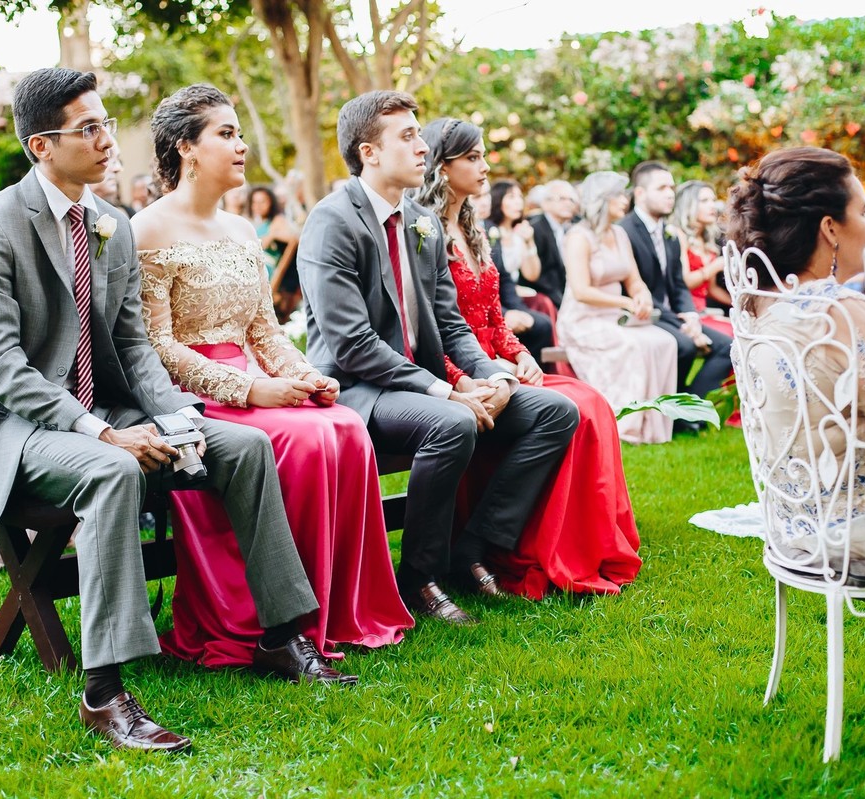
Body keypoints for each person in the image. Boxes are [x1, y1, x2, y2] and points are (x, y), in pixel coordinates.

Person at [0, 67, 332, 754]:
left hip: (109, 410)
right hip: (19, 427)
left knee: (242, 446)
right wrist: (101, 431)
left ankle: (281, 635)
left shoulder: (110, 224)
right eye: (88, 128)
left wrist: (181, 421)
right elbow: (0, 366)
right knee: (114, 471)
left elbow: (132, 345)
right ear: (41, 146)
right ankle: (104, 693)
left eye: (105, 124)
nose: (106, 140)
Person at [135, 83, 411, 670]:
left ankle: (338, 610)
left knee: (343, 426)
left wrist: (306, 376)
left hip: (254, 376)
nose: (242, 146)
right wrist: (251, 389)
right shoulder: (148, 230)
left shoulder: (242, 231)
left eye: (240, 134)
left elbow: (265, 332)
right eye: (226, 134)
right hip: (192, 394)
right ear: (186, 147)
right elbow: (156, 346)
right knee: (305, 439)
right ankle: (279, 620)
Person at [298, 90, 578, 623]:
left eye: (419, 134)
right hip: (358, 389)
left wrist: (493, 376)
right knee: (452, 423)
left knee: (555, 412)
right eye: (407, 136)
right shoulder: (332, 220)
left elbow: (450, 324)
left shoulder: (421, 220)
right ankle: (420, 578)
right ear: (368, 152)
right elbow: (351, 344)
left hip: (424, 384)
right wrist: (446, 391)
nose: (422, 146)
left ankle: (472, 548)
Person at [414, 118, 640, 598]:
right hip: (454, 372)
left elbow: (495, 318)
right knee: (576, 408)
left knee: (592, 403)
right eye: (473, 157)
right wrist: (471, 376)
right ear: (442, 166)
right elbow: (429, 330)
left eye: (483, 155)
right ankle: (497, 546)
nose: (485, 166)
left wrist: (520, 356)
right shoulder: (423, 232)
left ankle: (570, 544)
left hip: (494, 363)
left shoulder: (475, 230)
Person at [726, 146, 865, 562]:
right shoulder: (841, 313)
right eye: (863, 212)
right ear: (830, 228)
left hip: (793, 521)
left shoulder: (757, 305)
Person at [556, 171, 678, 444]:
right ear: (602, 199)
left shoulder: (620, 234)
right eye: (619, 195)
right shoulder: (579, 237)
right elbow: (581, 291)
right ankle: (624, 424)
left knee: (665, 342)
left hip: (615, 316)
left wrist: (642, 296)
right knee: (632, 346)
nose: (625, 199)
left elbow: (633, 280)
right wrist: (625, 302)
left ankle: (654, 425)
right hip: (582, 320)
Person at [620, 162, 733, 408]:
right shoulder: (625, 231)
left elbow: (679, 284)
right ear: (640, 193)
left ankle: (688, 409)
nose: (670, 194)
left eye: (671, 188)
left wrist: (690, 315)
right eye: (661, 188)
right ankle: (673, 411)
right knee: (685, 345)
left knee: (727, 347)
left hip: (672, 313)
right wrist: (682, 324)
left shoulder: (670, 233)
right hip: (641, 312)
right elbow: (633, 288)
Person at [485, 178, 554, 363]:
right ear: (497, 200)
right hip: (495, 295)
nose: (518, 202)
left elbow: (532, 275)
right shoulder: (488, 231)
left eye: (519, 197)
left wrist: (529, 242)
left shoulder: (521, 233)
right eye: (511, 197)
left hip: (512, 293)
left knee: (543, 312)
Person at [672, 180, 732, 336]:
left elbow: (711, 290)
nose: (712, 206)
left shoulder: (707, 241)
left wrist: (739, 303)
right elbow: (685, 282)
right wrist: (713, 267)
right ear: (688, 205)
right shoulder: (678, 235)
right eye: (704, 201)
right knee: (731, 334)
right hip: (686, 312)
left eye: (713, 200)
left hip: (704, 311)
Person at [247, 184, 300, 321]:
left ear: (271, 202)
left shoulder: (277, 221)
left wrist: (272, 235)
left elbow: (293, 240)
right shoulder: (254, 222)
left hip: (272, 272)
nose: (258, 206)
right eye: (255, 202)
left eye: (262, 202)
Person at [523, 180, 578, 309]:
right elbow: (540, 278)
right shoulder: (535, 229)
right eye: (562, 199)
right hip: (545, 298)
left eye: (571, 200)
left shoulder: (568, 229)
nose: (568, 203)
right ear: (545, 203)